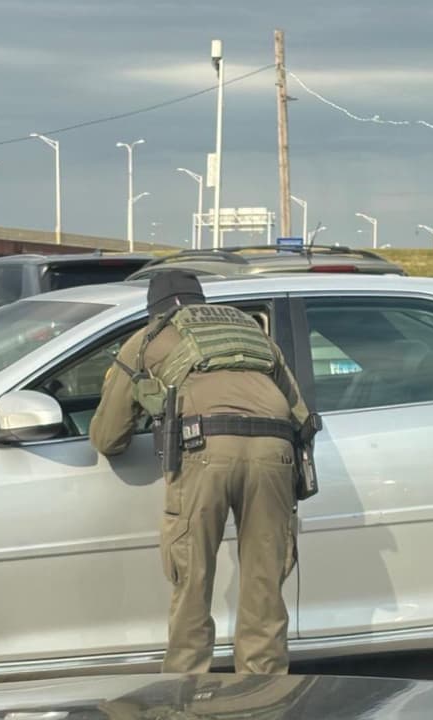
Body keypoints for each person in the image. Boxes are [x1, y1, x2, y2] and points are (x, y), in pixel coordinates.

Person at [89, 270, 312, 676]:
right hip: (274, 453)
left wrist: (150, 403)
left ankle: (185, 691)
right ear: (202, 301)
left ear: (154, 310)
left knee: (192, 580)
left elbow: (107, 436)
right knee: (265, 587)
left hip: (204, 450)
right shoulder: (253, 334)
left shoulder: (149, 338)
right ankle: (263, 695)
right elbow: (300, 416)